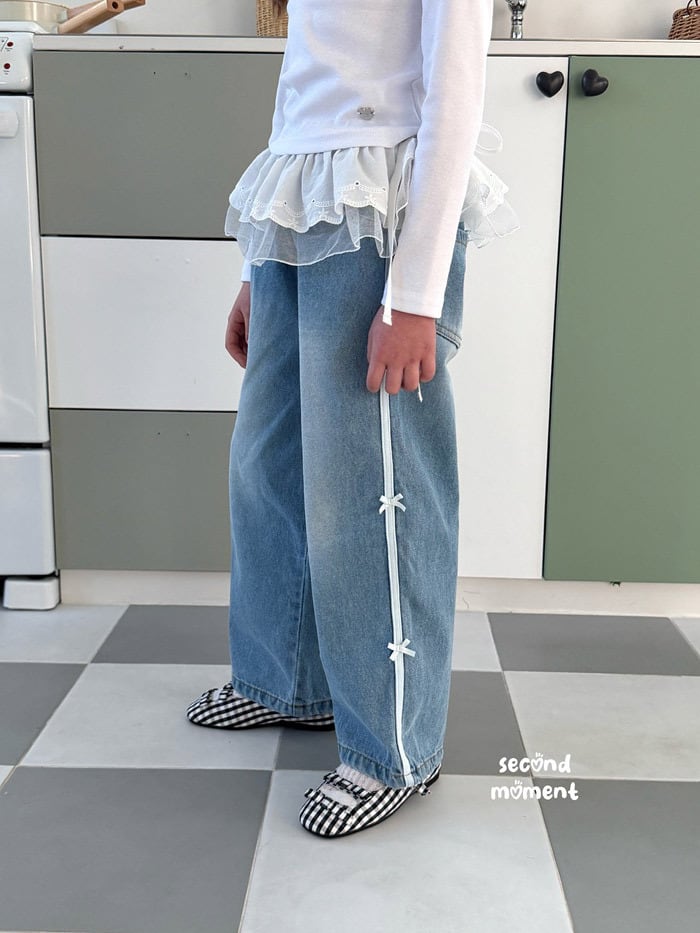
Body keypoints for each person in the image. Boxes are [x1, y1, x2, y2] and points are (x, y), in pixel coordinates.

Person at [186, 0, 519, 838]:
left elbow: (455, 94)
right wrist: (257, 265)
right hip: (302, 204)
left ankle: (393, 745)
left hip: (382, 213)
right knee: (271, 465)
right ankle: (284, 678)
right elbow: (303, 86)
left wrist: (416, 296)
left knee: (372, 488)